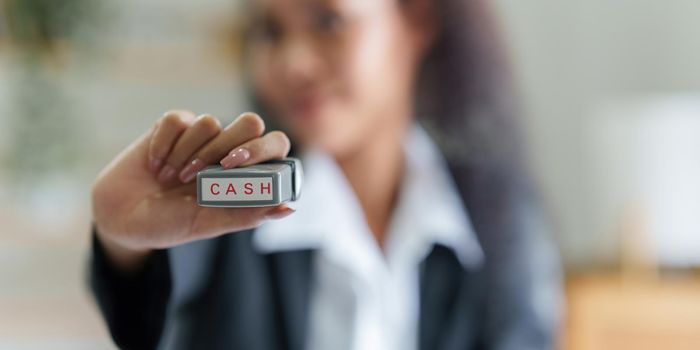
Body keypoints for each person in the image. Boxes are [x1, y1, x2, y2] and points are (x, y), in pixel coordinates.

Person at [88, 0, 562, 349]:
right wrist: (123, 239)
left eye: (328, 21)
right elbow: (141, 310)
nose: (294, 63)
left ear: (416, 17)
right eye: (270, 32)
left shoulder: (498, 217)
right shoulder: (222, 206)